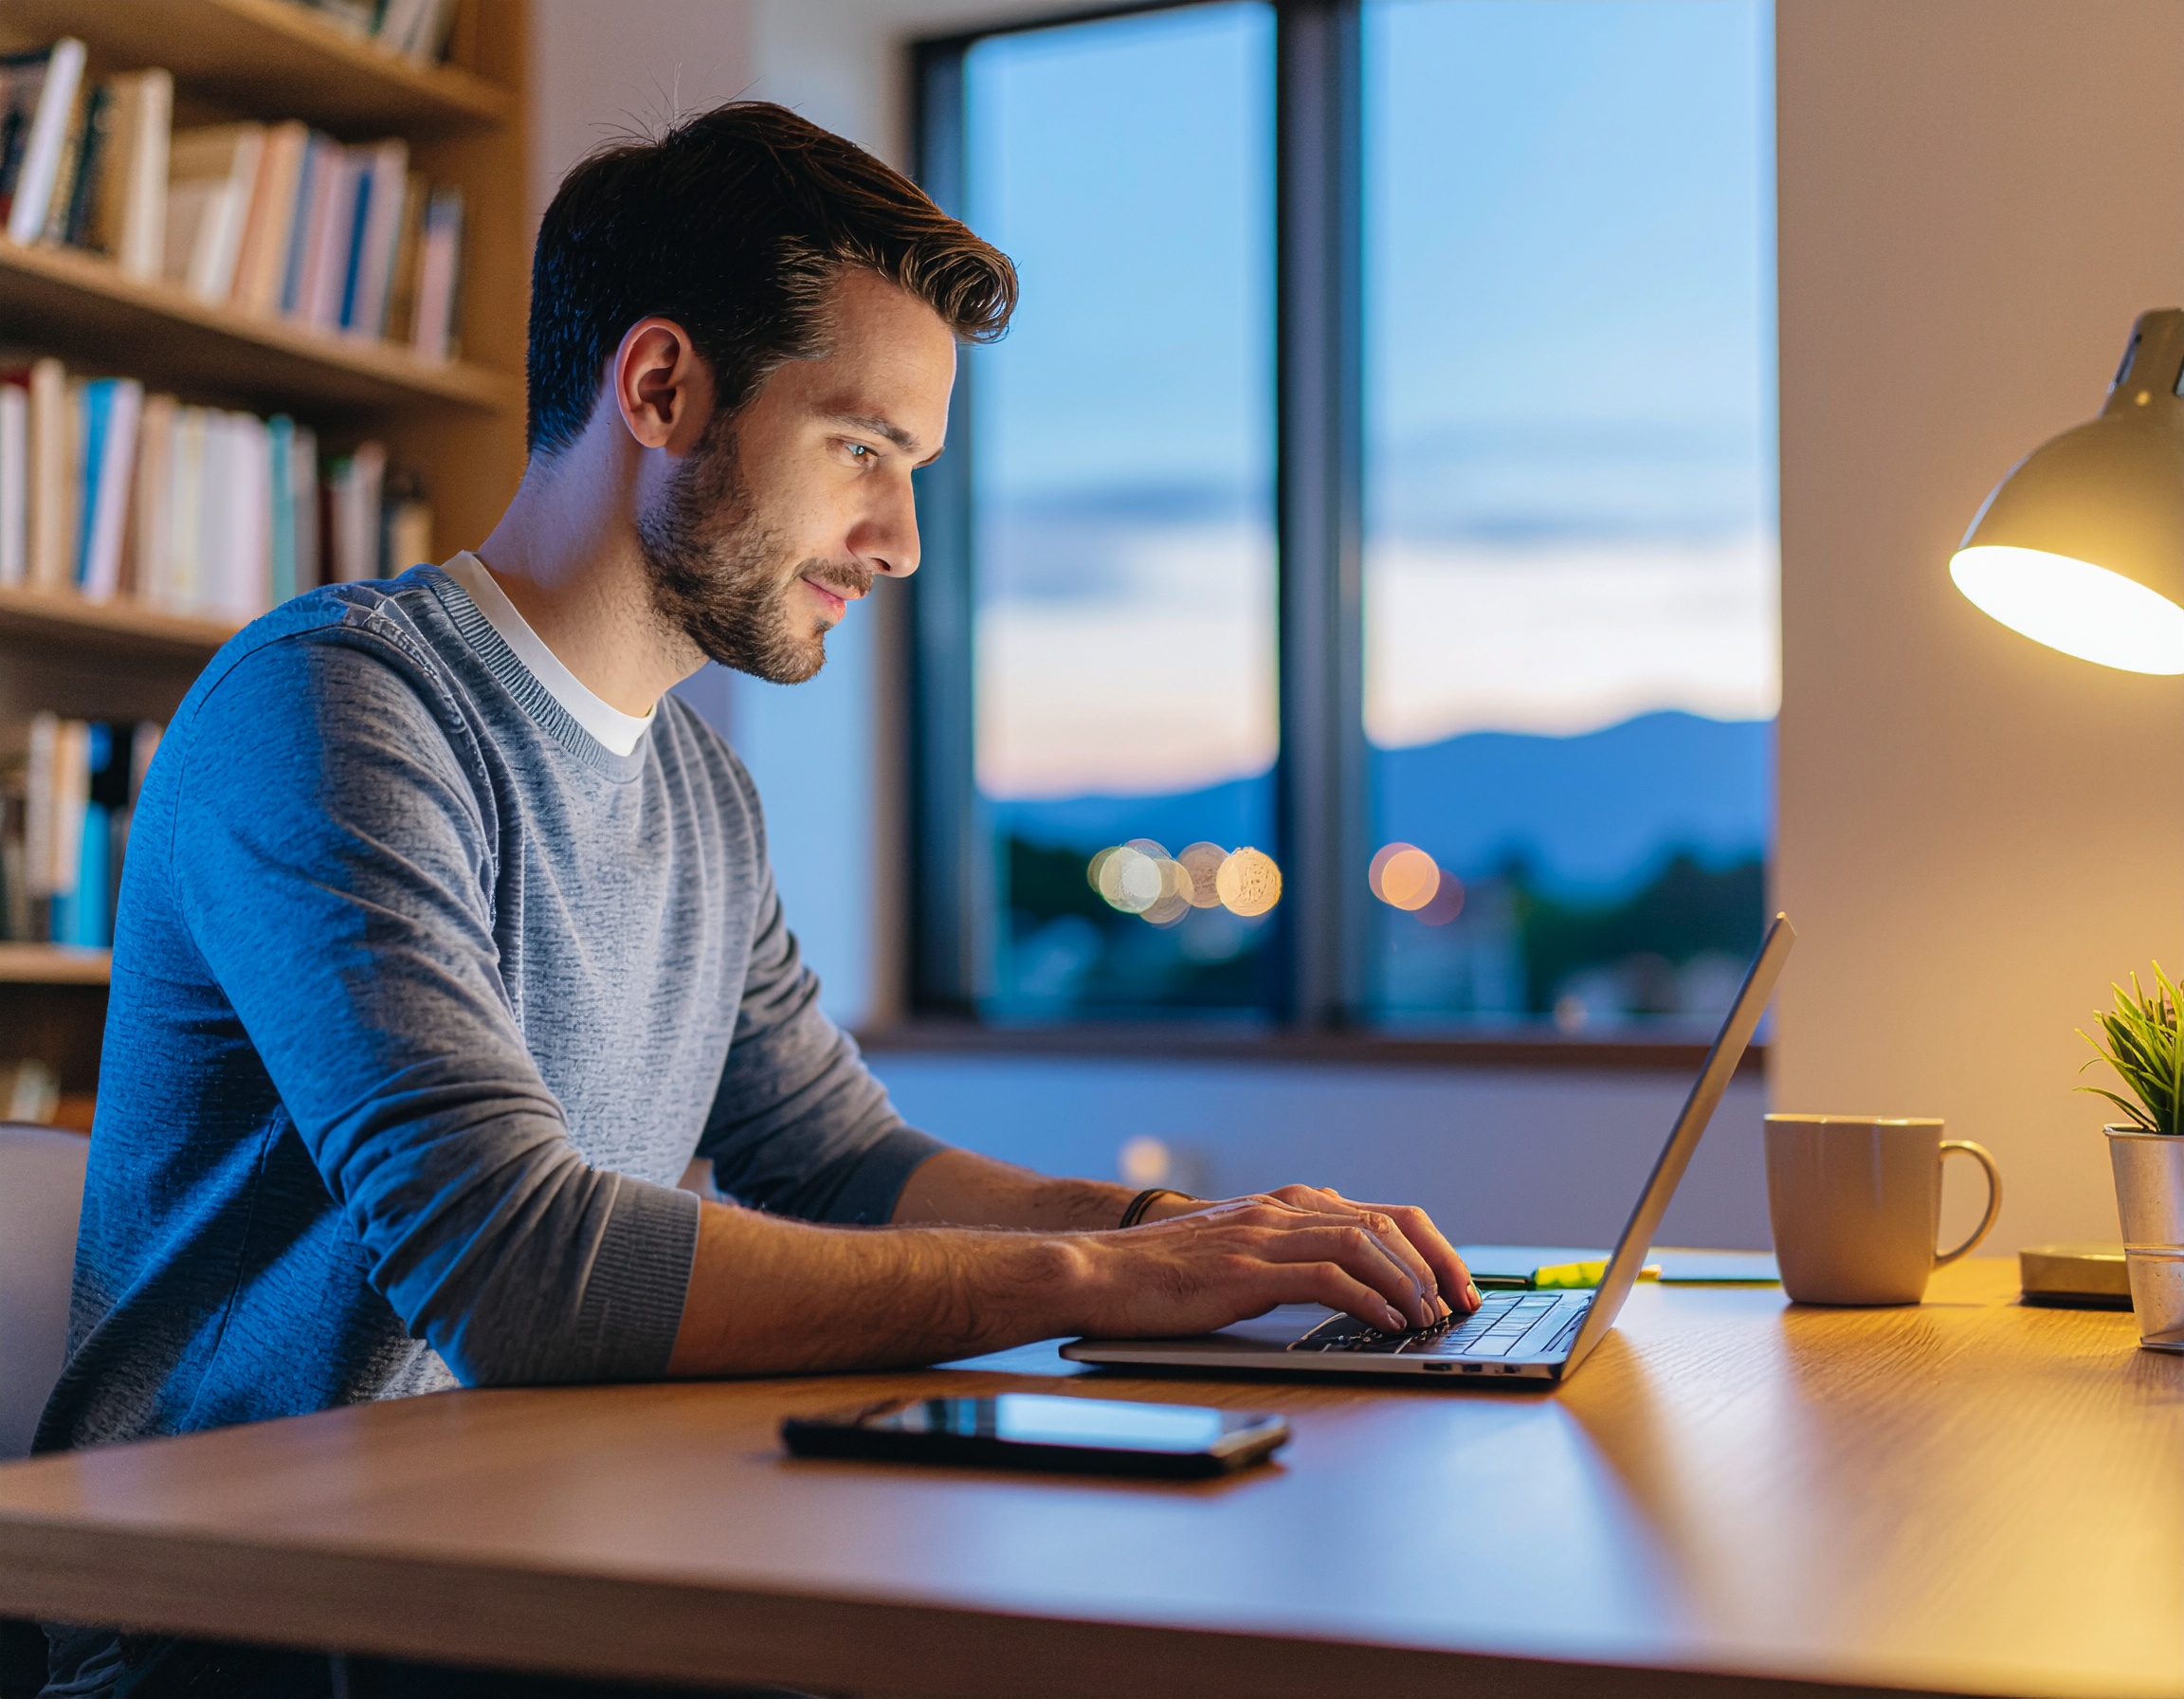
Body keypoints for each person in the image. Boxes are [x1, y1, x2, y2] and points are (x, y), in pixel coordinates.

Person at [29, 102, 1475, 1697]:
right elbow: (519, 1264)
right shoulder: (333, 710)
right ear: (660, 388)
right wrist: (1110, 1282)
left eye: (912, 469)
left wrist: (1186, 1235)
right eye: (863, 450)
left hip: (522, 1563)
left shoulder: (701, 793)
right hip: (234, 1625)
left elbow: (842, 1159)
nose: (903, 540)